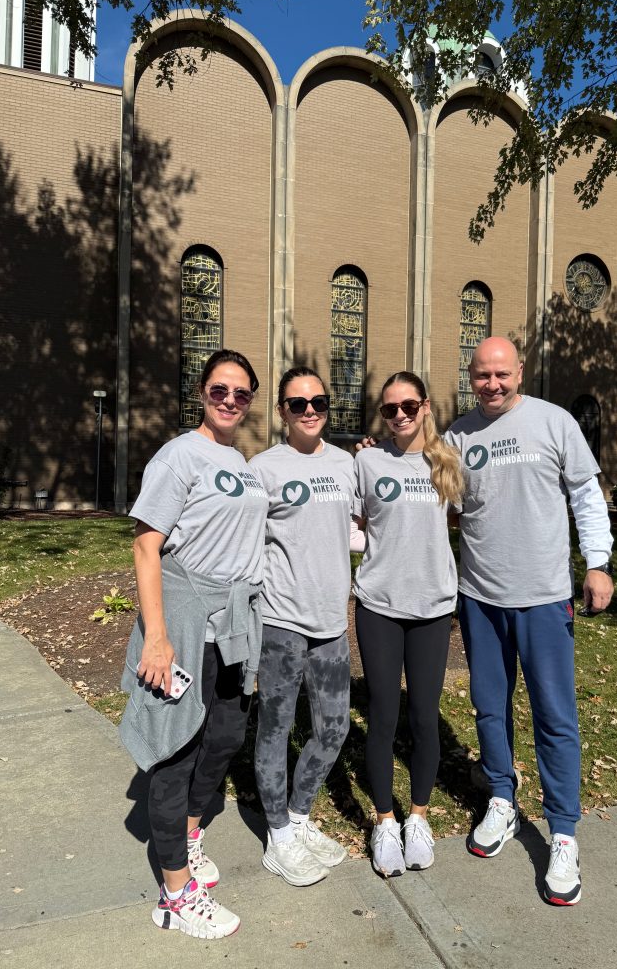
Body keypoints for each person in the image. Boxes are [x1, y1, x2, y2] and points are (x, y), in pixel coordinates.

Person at [445, 336, 614, 906]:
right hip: (480, 598)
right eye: (481, 375)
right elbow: (440, 503)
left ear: (520, 370)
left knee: (554, 716)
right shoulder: (457, 436)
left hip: (544, 597)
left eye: (501, 373)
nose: (492, 384)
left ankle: (563, 832)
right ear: (471, 376)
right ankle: (502, 799)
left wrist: (598, 564)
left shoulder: (554, 422)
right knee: (489, 707)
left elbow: (586, 496)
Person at [119, 349, 269, 939]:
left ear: (250, 401)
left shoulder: (242, 462)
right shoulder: (179, 455)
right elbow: (145, 545)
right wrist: (156, 638)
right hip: (185, 625)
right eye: (219, 389)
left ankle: (187, 834)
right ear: (201, 392)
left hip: (234, 625)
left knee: (226, 735)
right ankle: (175, 896)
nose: (230, 399)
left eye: (241, 392)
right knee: (176, 751)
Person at [249, 367, 358, 887]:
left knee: (334, 729)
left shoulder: (346, 464)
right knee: (275, 728)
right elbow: (246, 540)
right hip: (281, 622)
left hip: (331, 622)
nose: (310, 410)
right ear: (282, 412)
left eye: (318, 401)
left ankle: (297, 817)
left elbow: (354, 529)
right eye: (298, 403)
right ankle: (277, 837)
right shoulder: (263, 468)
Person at [353, 371, 464, 877]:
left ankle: (418, 817)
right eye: (389, 408)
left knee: (423, 715)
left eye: (408, 406)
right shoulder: (367, 461)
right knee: (382, 715)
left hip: (432, 607)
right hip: (379, 604)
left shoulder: (446, 460)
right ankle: (384, 821)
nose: (399, 415)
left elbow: (467, 520)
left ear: (425, 407)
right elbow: (354, 527)